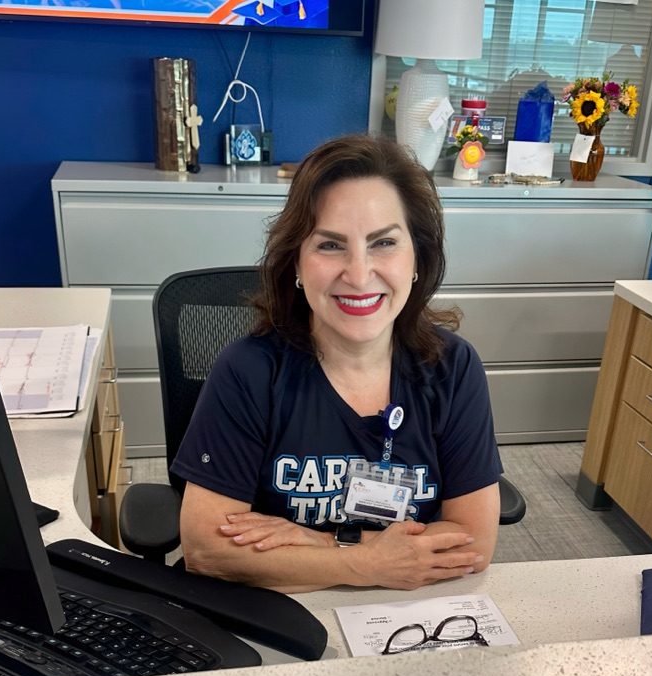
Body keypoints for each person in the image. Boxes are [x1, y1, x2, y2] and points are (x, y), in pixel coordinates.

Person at [171, 133, 503, 593]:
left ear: (417, 260)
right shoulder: (248, 371)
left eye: (383, 242)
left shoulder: (452, 367)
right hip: (283, 618)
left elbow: (472, 544)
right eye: (330, 246)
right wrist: (368, 563)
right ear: (297, 264)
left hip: (411, 614)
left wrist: (324, 543)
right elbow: (207, 549)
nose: (360, 273)